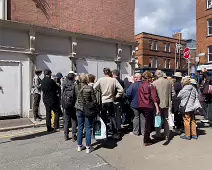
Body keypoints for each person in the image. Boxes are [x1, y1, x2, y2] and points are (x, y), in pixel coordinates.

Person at [94, 68, 124, 139]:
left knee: (103, 117)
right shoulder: (113, 80)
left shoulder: (100, 79)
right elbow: (121, 90)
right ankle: (115, 132)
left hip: (103, 101)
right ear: (110, 72)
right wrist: (116, 96)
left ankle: (105, 133)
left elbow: (94, 87)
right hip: (110, 100)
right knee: (112, 116)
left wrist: (99, 93)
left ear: (104, 73)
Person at [75, 74, 97, 153]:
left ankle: (79, 146)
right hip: (88, 109)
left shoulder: (77, 87)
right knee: (88, 128)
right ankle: (88, 147)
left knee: (80, 127)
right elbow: (94, 100)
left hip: (78, 108)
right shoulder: (89, 88)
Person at [138, 71, 160, 146]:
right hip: (149, 106)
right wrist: (157, 108)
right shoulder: (150, 86)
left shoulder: (141, 85)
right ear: (149, 78)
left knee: (145, 122)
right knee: (149, 124)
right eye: (151, 77)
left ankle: (146, 138)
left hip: (142, 105)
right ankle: (146, 140)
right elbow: (154, 98)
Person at [153, 70, 175, 140]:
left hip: (158, 104)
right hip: (167, 103)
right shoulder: (169, 82)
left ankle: (158, 134)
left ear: (156, 75)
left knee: (157, 119)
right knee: (166, 119)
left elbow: (153, 95)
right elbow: (173, 93)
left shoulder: (154, 83)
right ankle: (167, 135)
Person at [61, 73, 77, 141]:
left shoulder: (64, 85)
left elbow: (62, 94)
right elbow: (76, 95)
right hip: (73, 105)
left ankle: (66, 135)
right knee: (73, 120)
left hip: (66, 105)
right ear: (73, 78)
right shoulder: (75, 85)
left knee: (66, 120)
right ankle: (73, 135)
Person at [112, 69, 124, 135]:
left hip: (113, 100)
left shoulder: (112, 81)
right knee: (119, 116)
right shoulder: (121, 81)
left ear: (113, 74)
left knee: (112, 115)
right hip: (120, 100)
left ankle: (114, 128)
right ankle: (119, 128)